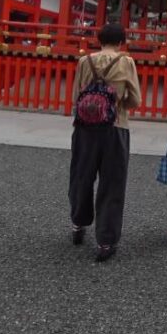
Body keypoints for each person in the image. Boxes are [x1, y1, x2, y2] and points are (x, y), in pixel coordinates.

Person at [69, 24, 142, 262]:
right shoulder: (126, 62)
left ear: (99, 39)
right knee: (112, 183)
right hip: (115, 127)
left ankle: (79, 224)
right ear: (121, 41)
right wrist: (117, 103)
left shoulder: (84, 61)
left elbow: (75, 96)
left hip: (85, 128)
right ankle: (105, 240)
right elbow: (135, 100)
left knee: (81, 176)